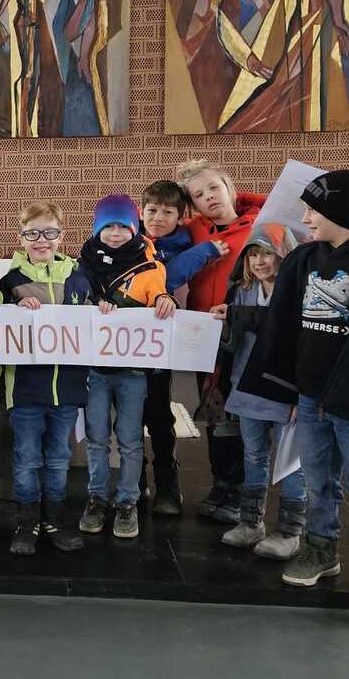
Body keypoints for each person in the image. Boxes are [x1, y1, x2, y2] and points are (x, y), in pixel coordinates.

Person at [240, 170, 349, 611]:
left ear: (338, 212)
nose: (306, 219)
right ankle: (321, 550)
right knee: (317, 481)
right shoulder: (303, 261)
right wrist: (287, 390)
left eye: (313, 211)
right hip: (311, 397)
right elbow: (282, 327)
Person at [0, 202, 94, 555]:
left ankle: (54, 517)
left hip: (67, 387)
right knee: (26, 458)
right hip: (25, 388)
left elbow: (94, 323)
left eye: (50, 232)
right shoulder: (10, 281)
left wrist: (103, 311)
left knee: (58, 458)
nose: (42, 239)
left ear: (61, 236)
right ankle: (27, 522)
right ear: (21, 238)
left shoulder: (78, 277)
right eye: (33, 233)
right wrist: (11, 308)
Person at [76, 195, 175, 540]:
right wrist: (92, 304)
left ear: (134, 229)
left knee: (131, 440)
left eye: (123, 226)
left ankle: (127, 500)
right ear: (97, 229)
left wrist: (164, 299)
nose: (116, 233)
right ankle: (97, 498)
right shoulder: (83, 263)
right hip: (95, 370)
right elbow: (73, 300)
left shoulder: (150, 266)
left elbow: (159, 295)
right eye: (108, 226)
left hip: (132, 371)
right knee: (97, 438)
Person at [208, 223, 306, 560]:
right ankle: (251, 522)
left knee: (291, 461)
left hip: (287, 390)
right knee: (253, 455)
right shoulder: (241, 291)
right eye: (253, 255)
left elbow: (297, 337)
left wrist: (303, 394)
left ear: (284, 255)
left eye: (267, 253)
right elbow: (234, 343)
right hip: (247, 386)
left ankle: (291, 531)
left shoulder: (300, 293)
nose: (259, 261)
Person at [176, 159, 264, 523]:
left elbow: (286, 203)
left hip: (248, 334)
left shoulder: (261, 222)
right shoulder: (194, 229)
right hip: (206, 336)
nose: (209, 197)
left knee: (244, 415)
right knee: (215, 414)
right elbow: (150, 222)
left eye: (214, 187)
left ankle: (243, 493)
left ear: (229, 186)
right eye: (199, 195)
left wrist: (240, 198)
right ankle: (221, 484)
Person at [137, 178, 228, 515]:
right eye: (152, 211)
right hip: (125, 347)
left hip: (160, 347)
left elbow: (165, 279)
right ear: (141, 212)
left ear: (180, 217)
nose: (158, 218)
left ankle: (168, 485)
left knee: (160, 415)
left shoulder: (183, 244)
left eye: (167, 212)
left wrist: (201, 252)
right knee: (129, 419)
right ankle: (135, 483)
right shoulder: (128, 238)